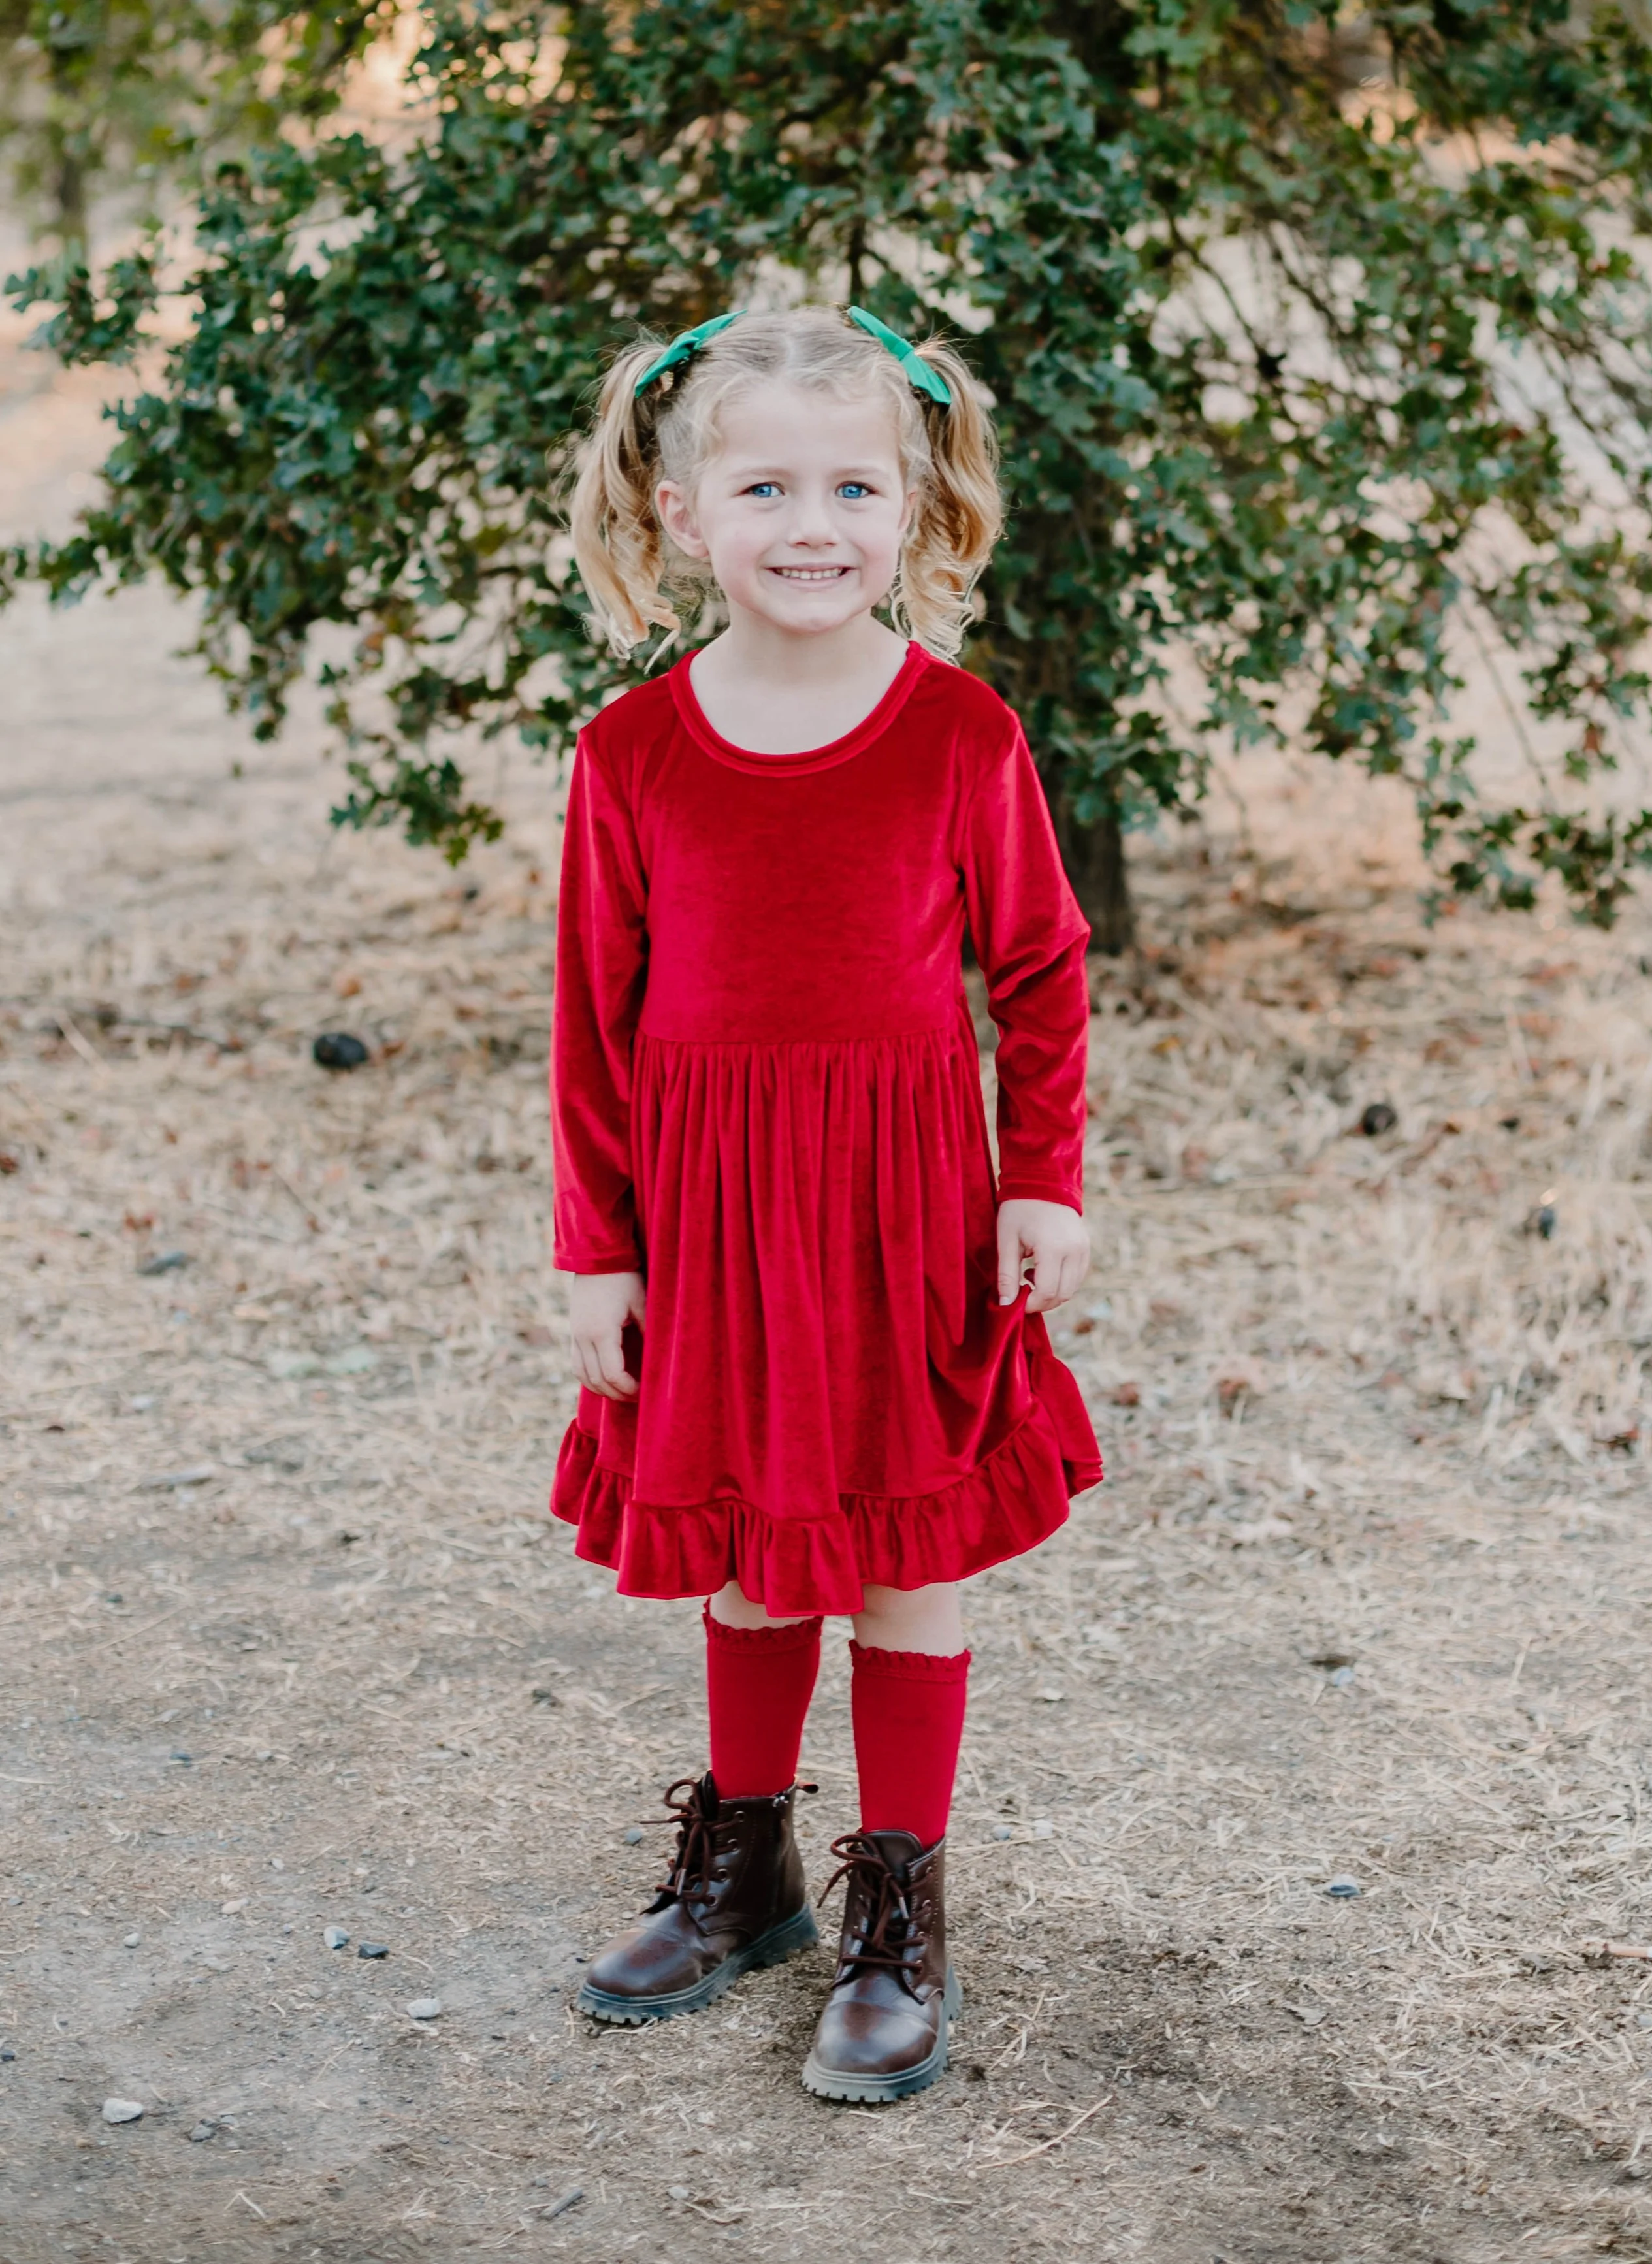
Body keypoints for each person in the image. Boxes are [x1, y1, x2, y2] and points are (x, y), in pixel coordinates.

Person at [550, 304, 1101, 2103]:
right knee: (740, 1541)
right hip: (709, 1216)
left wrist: (1043, 1179)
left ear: (919, 505)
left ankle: (896, 1908)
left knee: (902, 1554)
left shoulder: (956, 735)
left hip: (903, 1209)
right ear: (680, 510)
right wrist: (598, 1248)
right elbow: (589, 1020)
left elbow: (1038, 968)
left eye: (852, 483)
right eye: (764, 483)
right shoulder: (631, 754)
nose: (811, 522)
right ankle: (746, 1867)